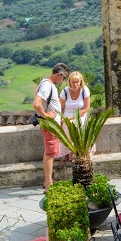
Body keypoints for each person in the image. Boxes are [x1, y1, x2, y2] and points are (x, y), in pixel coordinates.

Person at [33, 62, 68, 190]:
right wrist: (46, 115)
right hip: (50, 124)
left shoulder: (45, 82)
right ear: (59, 75)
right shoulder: (48, 85)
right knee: (50, 153)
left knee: (49, 152)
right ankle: (48, 185)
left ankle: (48, 182)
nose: (63, 81)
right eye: (64, 78)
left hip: (50, 124)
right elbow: (36, 104)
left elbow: (35, 94)